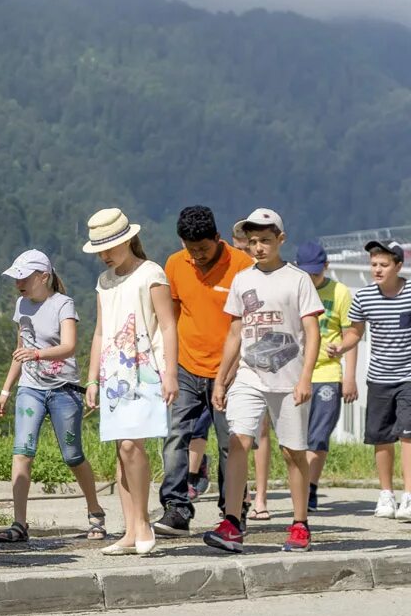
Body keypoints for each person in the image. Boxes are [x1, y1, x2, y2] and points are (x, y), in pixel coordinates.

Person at [204, 208, 322, 553]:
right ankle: (232, 523)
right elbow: (235, 332)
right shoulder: (243, 280)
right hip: (249, 375)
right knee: (238, 440)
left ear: (280, 240)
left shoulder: (297, 279)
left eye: (265, 241)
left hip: (289, 380)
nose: (258, 247)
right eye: (253, 241)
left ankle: (300, 524)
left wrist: (305, 377)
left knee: (292, 452)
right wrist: (221, 379)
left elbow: (312, 332)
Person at [0, 250, 106, 544]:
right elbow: (21, 349)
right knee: (22, 451)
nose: (19, 283)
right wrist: (6, 389)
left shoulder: (62, 304)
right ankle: (19, 523)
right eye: (16, 278)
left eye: (24, 277)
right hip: (30, 388)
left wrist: (38, 353)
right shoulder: (22, 305)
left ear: (44, 277)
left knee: (72, 455)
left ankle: (95, 512)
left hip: (63, 390)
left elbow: (69, 346)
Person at [83, 208, 179, 557]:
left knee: (130, 446)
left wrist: (170, 372)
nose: (105, 255)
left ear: (126, 240)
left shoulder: (151, 273)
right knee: (120, 452)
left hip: (145, 369)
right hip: (113, 374)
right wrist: (92, 378)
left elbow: (168, 325)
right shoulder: (104, 281)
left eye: (109, 246)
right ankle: (130, 530)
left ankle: (142, 522)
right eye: (100, 249)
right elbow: (99, 331)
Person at [153, 206, 254, 538]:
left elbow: (249, 326)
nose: (196, 256)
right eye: (190, 249)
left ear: (218, 238)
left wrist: (233, 371)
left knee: (231, 442)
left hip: (229, 370)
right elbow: (174, 315)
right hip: (185, 364)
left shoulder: (242, 267)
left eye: (203, 249)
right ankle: (177, 509)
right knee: (175, 437)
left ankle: (233, 511)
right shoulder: (175, 264)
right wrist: (168, 366)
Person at [330, 240, 411, 521]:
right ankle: (386, 494)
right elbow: (355, 332)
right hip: (379, 377)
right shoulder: (364, 297)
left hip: (408, 376)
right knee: (381, 437)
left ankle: (409, 497)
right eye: (374, 264)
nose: (377, 269)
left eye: (384, 265)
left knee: (408, 434)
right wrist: (341, 347)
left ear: (398, 266)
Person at [292, 241, 358, 512]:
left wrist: (349, 376)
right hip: (296, 372)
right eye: (306, 273)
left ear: (326, 267)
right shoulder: (293, 291)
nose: (311, 278)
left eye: (316, 273)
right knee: (297, 436)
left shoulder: (340, 292)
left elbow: (350, 334)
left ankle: (310, 487)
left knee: (318, 436)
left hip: (328, 372)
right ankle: (302, 484)